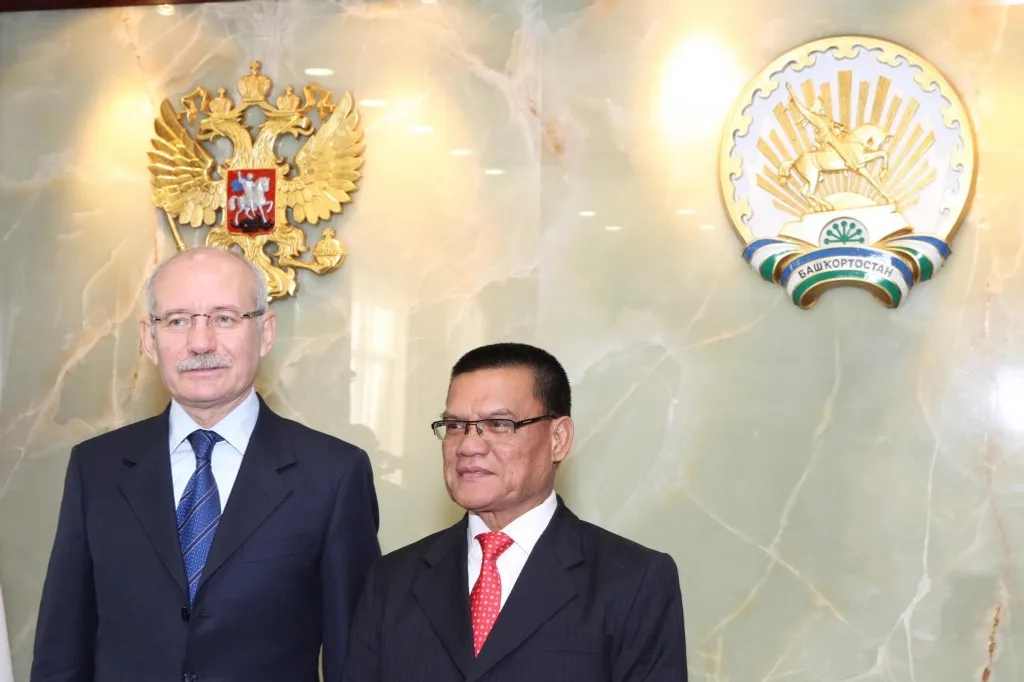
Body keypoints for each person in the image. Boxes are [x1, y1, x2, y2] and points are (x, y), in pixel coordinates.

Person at [31, 247, 381, 682]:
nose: (200, 343)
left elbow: (356, 658)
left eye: (224, 318)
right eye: (177, 321)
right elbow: (61, 650)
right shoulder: (96, 468)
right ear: (149, 339)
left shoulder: (333, 475)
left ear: (266, 333)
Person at [343, 342, 688, 681]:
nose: (468, 446)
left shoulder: (632, 581)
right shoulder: (391, 581)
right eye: (456, 426)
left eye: (498, 424)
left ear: (558, 439)